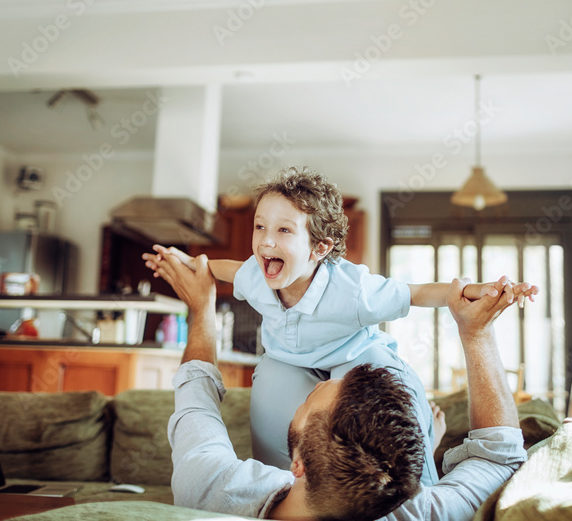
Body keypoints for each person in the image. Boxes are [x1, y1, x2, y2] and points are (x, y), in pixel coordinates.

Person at [144, 167, 538, 486]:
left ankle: (424, 463)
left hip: (357, 356)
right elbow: (227, 270)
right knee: (271, 429)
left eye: (284, 230)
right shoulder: (257, 275)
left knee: (393, 430)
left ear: (320, 248)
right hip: (289, 362)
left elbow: (418, 292)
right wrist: (190, 263)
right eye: (260, 226)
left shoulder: (355, 291)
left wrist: (472, 290)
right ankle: (296, 499)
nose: (265, 241)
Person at [155, 251, 528, 521]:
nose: (318, 383)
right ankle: (422, 450)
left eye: (312, 399)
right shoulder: (422, 512)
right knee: (375, 360)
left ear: (296, 465)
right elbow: (499, 456)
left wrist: (201, 307)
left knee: (277, 371)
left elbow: (196, 401)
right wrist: (476, 332)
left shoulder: (212, 489)